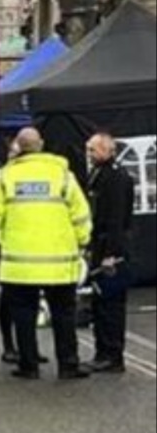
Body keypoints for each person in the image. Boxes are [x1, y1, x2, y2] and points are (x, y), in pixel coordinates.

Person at [0, 127, 94, 381]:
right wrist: (82, 242)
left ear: (18, 147)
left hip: (20, 265)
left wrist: (0, 235)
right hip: (59, 262)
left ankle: (29, 365)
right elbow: (82, 214)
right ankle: (68, 365)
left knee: (23, 314)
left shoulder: (5, 177)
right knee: (63, 314)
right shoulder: (63, 175)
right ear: (41, 144)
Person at [85, 132, 135, 374]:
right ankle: (102, 351)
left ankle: (112, 355)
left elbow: (115, 218)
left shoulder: (115, 177)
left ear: (107, 150)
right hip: (100, 245)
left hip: (111, 249)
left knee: (111, 305)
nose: (89, 154)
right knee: (100, 303)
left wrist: (110, 254)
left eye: (93, 150)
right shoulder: (100, 173)